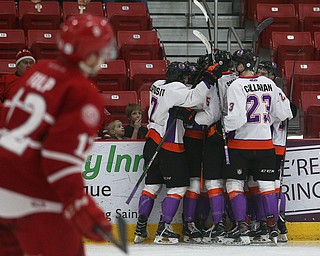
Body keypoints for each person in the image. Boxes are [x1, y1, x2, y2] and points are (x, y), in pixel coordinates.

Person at [0, 14, 117, 256]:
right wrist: (83, 209)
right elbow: (59, 161)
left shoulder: (38, 70)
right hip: (31, 194)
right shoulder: (83, 93)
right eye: (102, 49)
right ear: (89, 52)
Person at [133, 61, 222, 245]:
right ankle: (163, 228)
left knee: (151, 187)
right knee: (179, 187)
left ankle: (140, 229)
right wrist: (207, 79)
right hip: (168, 145)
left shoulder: (157, 85)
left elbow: (176, 101)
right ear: (180, 78)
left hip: (151, 142)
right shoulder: (175, 89)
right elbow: (194, 99)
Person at [222, 49, 293, 245]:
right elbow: (282, 113)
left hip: (241, 144)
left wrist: (224, 123)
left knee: (234, 184)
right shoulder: (270, 84)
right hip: (265, 144)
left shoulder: (236, 85)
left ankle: (242, 227)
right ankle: (272, 227)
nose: (234, 67)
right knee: (267, 186)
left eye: (236, 63)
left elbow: (236, 119)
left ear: (243, 65)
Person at [256, 60, 297, 243]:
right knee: (270, 185)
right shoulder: (277, 93)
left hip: (269, 146)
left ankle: (271, 221)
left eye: (265, 72)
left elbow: (283, 114)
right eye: (260, 71)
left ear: (272, 76)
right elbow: (289, 112)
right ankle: (275, 221)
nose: (261, 75)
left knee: (268, 185)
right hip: (270, 146)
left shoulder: (271, 91)